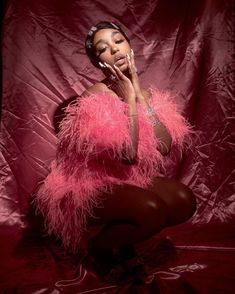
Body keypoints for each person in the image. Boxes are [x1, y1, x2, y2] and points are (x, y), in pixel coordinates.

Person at [35, 21, 196, 283]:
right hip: (88, 185)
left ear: (130, 47)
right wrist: (130, 101)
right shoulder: (95, 96)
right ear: (99, 62)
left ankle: (123, 240)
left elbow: (164, 146)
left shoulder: (142, 93)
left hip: (125, 180)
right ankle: (99, 248)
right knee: (151, 210)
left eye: (118, 41)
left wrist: (140, 96)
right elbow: (127, 155)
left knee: (184, 199)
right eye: (104, 49)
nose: (115, 50)